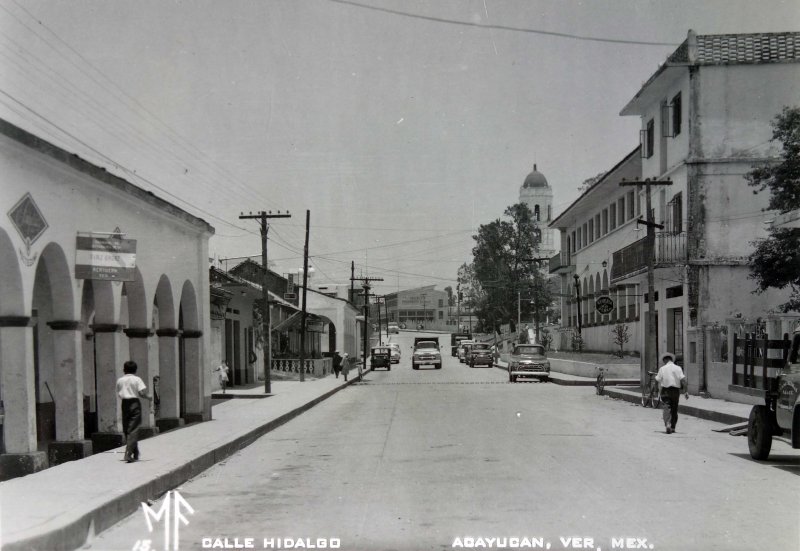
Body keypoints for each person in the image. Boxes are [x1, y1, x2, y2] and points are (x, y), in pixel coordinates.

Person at [116, 360, 152, 463]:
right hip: (134, 403)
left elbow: (119, 393)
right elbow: (141, 393)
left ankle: (135, 452)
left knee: (127, 428)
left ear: (124, 370)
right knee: (134, 428)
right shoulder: (137, 379)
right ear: (135, 370)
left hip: (124, 404)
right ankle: (128, 454)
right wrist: (148, 397)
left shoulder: (119, 380)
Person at [655, 352, 688, 434]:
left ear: (665, 360)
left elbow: (657, 379)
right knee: (674, 408)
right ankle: (673, 427)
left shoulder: (662, 369)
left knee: (666, 407)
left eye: (663, 360)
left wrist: (656, 389)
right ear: (671, 360)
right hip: (676, 391)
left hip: (665, 390)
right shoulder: (678, 368)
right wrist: (686, 391)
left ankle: (668, 423)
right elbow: (683, 380)